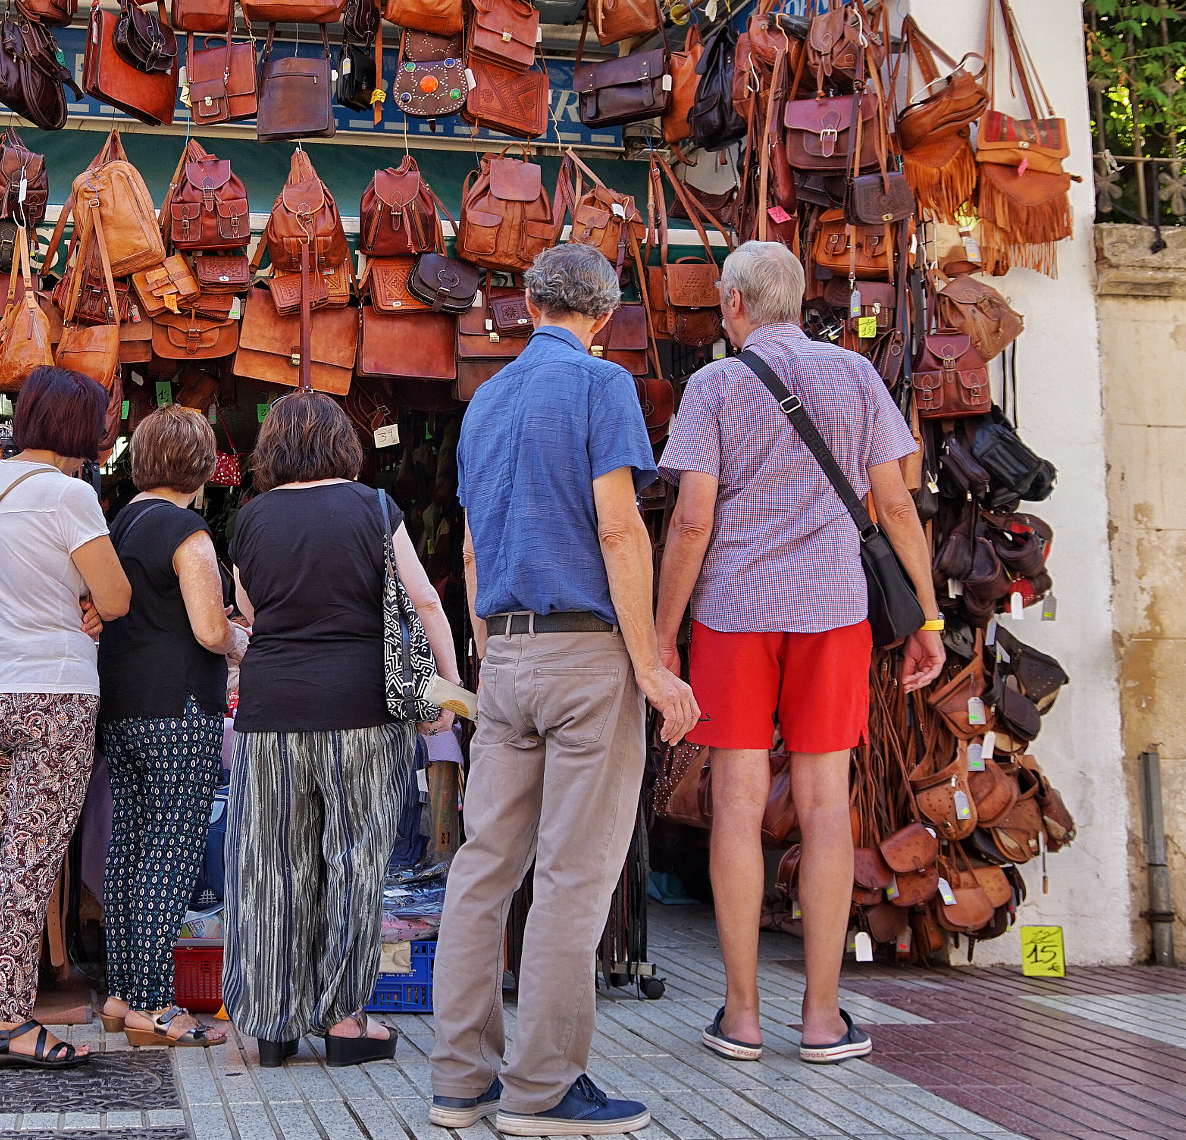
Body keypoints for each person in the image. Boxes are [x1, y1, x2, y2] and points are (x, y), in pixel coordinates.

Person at [430, 244, 698, 1137]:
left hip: (502, 655)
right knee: (574, 874)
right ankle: (542, 1089)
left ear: (530, 304)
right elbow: (621, 530)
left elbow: (470, 550)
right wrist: (653, 665)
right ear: (604, 313)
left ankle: (459, 1083)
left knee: (481, 870)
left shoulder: (485, 402)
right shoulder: (601, 386)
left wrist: (484, 650)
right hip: (586, 652)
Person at [654, 240, 943, 1066]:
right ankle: (822, 1017)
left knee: (738, 803)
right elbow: (893, 502)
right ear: (800, 299)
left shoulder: (712, 386)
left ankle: (741, 1015)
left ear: (734, 304)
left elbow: (693, 520)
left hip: (736, 613)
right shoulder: (855, 377)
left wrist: (665, 631)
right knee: (824, 804)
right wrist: (926, 618)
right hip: (830, 610)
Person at [224, 391, 457, 1069]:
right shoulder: (374, 509)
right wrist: (442, 688)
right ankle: (347, 1020)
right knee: (354, 861)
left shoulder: (249, 519)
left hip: (271, 715)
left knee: (271, 867)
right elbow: (425, 599)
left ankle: (272, 1024)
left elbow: (249, 610)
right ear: (341, 444)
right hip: (363, 709)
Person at [0, 366, 131, 1070]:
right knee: (29, 857)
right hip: (48, 693)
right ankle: (15, 1022)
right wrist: (94, 605)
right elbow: (113, 593)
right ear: (80, 429)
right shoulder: (70, 494)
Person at [95, 406, 243, 1048]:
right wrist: (247, 642)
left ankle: (124, 993)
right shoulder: (188, 532)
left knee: (128, 851)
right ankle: (156, 1006)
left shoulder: (120, 523)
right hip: (178, 710)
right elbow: (210, 629)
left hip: (123, 704)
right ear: (202, 466)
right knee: (170, 855)